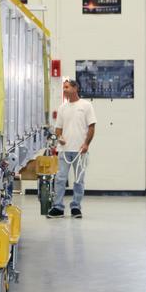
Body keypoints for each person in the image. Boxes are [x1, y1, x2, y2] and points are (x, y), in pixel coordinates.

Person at [49, 79, 96, 219]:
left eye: (67, 87)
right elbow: (58, 129)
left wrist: (86, 144)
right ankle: (58, 207)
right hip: (64, 150)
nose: (64, 90)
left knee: (79, 180)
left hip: (80, 151)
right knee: (60, 179)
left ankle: (76, 207)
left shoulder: (86, 106)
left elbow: (92, 127)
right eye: (63, 87)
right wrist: (60, 137)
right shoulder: (63, 108)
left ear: (75, 88)